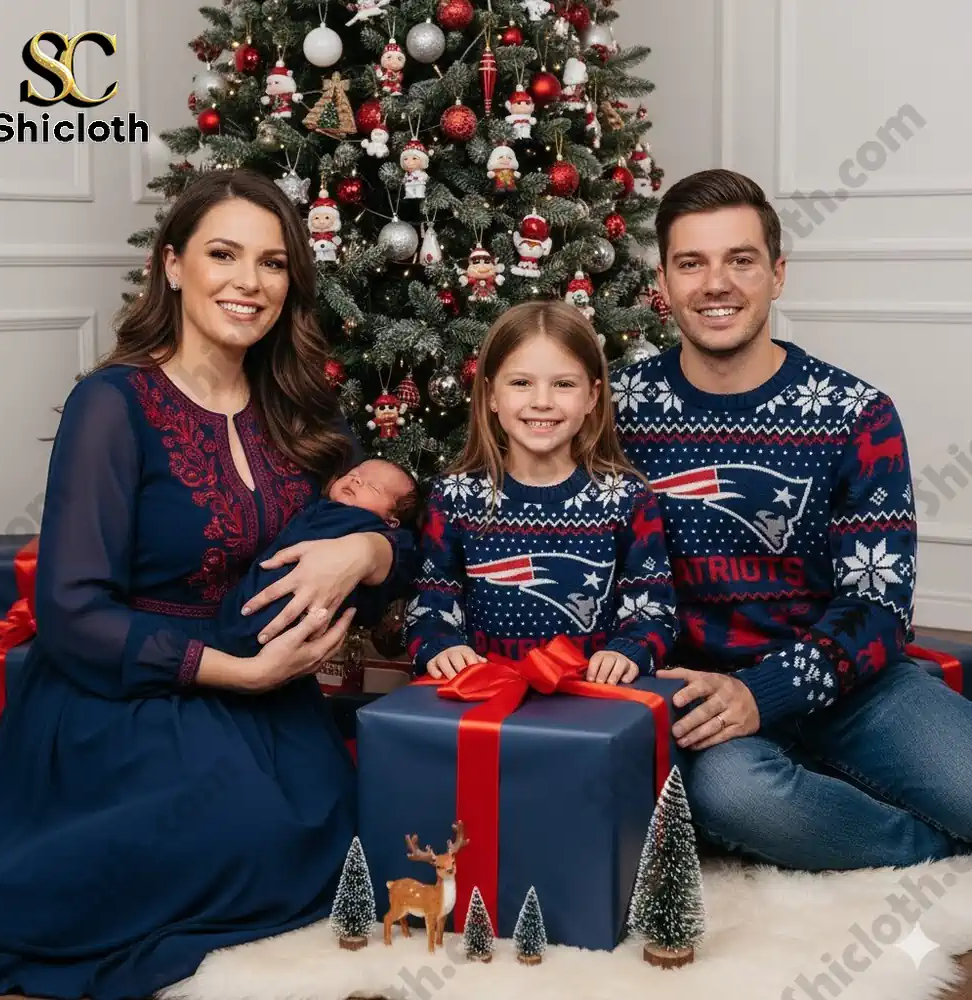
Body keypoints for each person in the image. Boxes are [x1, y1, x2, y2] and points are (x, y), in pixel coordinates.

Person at [0, 169, 414, 1000]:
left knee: (341, 835)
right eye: (223, 254)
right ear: (172, 266)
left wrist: (365, 556)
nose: (249, 282)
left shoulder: (301, 409)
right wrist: (240, 671)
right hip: (130, 697)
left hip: (273, 707)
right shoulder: (112, 404)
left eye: (273, 263)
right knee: (233, 840)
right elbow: (71, 613)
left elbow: (404, 542)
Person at [612, 167, 972, 870]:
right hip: (705, 700)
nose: (716, 283)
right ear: (663, 284)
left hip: (855, 687)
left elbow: (879, 606)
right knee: (735, 800)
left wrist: (767, 690)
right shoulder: (616, 413)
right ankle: (931, 853)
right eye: (693, 263)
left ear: (777, 274)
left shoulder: (854, 414)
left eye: (740, 260)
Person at [405, 300, 678, 684]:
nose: (542, 401)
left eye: (564, 384)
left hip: (592, 713)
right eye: (521, 383)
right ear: (491, 395)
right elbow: (430, 605)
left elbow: (653, 609)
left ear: (592, 396)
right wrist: (439, 645)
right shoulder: (455, 497)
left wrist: (630, 649)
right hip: (484, 711)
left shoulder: (626, 498)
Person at [216, 458, 422, 657]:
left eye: (374, 487)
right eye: (354, 474)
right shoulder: (318, 506)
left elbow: (404, 551)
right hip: (251, 595)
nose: (356, 480)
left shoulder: (370, 525)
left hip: (285, 617)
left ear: (392, 521)